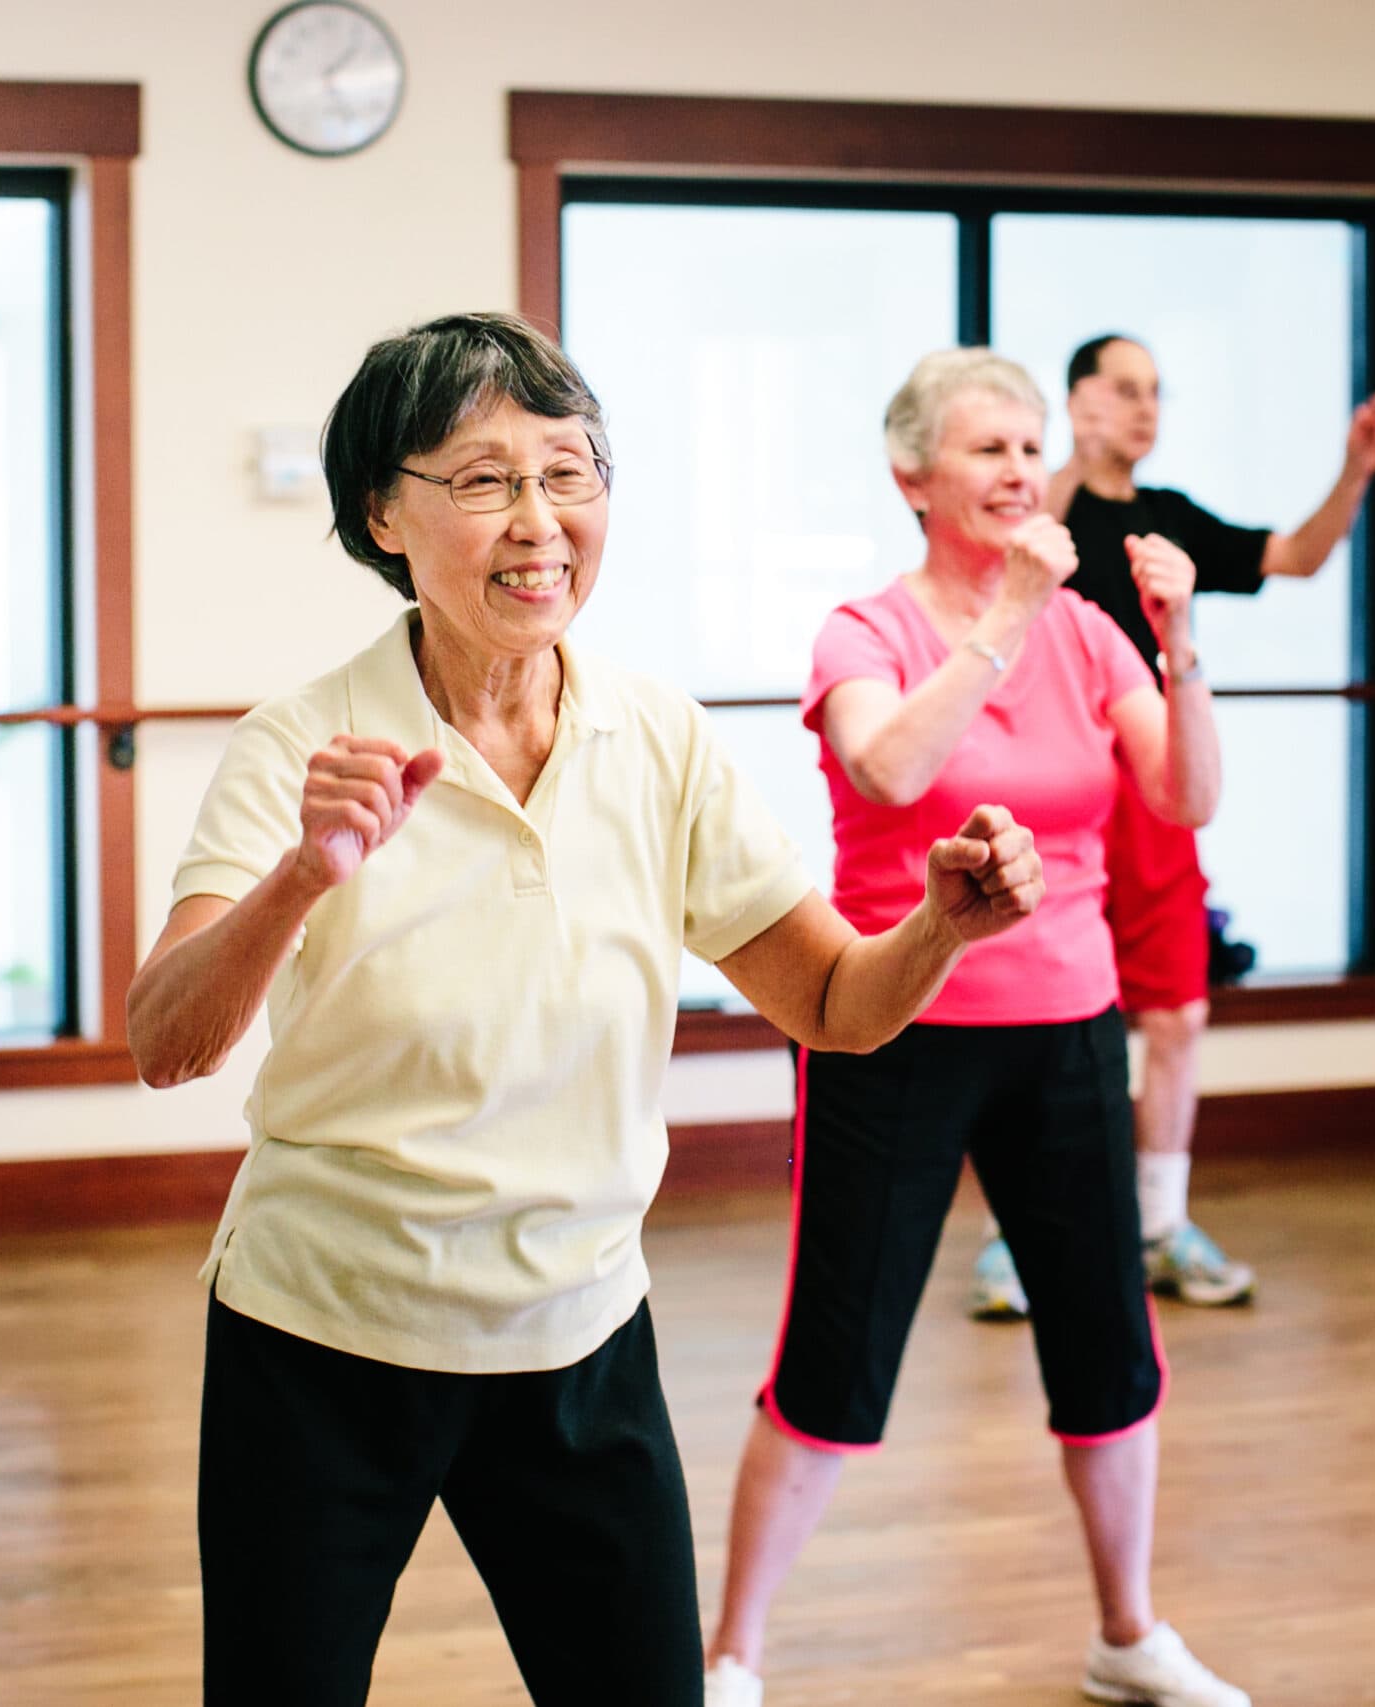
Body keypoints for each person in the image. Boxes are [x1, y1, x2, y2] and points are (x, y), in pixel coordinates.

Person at [128, 313, 1049, 1707]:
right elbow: (167, 1039)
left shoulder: (656, 735)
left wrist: (939, 927)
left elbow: (836, 1004)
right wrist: (298, 879)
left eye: (572, 472)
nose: (542, 519)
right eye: (487, 478)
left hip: (576, 1328)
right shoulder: (302, 741)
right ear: (384, 509)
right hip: (326, 1330)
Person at [703, 349, 1248, 1707]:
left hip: (1066, 1027)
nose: (1018, 470)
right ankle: (731, 1658)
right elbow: (890, 763)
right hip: (891, 1021)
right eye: (986, 450)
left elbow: (1183, 799)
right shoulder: (867, 629)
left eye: (1027, 447)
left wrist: (1181, 645)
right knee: (830, 1357)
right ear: (913, 478)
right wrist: (1003, 615)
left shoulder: (1090, 629)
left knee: (1110, 1349)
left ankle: (1128, 1632)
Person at [970, 332, 1375, 1317]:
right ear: (1075, 405)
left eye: (1155, 392)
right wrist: (1051, 465)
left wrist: (1356, 468)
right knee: (1031, 1019)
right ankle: (1010, 1237)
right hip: (1050, 787)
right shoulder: (1035, 516)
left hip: (1155, 786)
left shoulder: (1166, 525)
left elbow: (1295, 555)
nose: (1143, 408)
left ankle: (1159, 1224)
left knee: (1176, 1012)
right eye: (1122, 390)